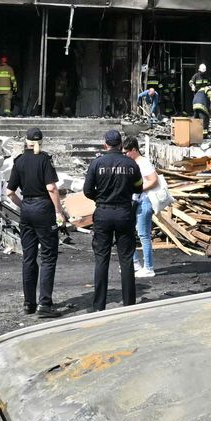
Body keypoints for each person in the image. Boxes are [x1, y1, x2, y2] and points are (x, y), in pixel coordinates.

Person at [5, 127, 68, 316]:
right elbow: (52, 188)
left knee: (28, 257)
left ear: (26, 142)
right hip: (43, 208)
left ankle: (28, 303)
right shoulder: (44, 160)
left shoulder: (19, 161)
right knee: (48, 257)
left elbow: (9, 193)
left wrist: (23, 205)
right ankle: (45, 305)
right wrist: (59, 211)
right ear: (41, 142)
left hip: (27, 210)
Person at [84, 130, 142, 310]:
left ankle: (99, 305)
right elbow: (139, 188)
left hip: (103, 212)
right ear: (121, 145)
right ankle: (129, 304)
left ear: (105, 145)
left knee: (102, 259)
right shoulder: (131, 164)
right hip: (124, 213)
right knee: (126, 259)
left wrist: (100, 198)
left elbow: (87, 190)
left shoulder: (97, 163)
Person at [124, 136, 163, 279]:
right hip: (135, 202)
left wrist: (138, 189)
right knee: (128, 232)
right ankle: (135, 263)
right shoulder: (133, 162)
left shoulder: (143, 162)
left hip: (144, 202)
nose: (125, 155)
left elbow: (153, 180)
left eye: (127, 152)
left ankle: (149, 268)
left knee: (143, 235)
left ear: (134, 150)